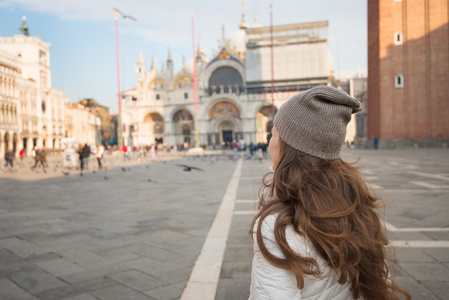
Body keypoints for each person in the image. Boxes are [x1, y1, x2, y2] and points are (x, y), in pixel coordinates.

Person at [249, 86, 410, 300]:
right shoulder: (355, 201)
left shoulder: (276, 226)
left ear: (289, 146)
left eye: (274, 135)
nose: (270, 143)